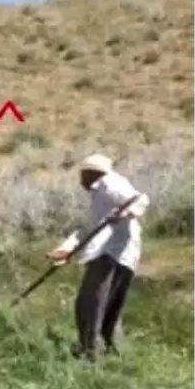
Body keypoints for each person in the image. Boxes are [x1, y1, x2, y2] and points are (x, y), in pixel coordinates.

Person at [46, 154, 150, 361]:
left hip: (110, 253)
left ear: (92, 172)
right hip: (122, 255)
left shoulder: (109, 183)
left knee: (90, 304)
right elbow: (88, 230)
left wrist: (123, 214)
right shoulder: (99, 197)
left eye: (82, 175)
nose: (80, 181)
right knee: (109, 307)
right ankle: (114, 353)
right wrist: (66, 249)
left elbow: (140, 200)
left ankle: (90, 353)